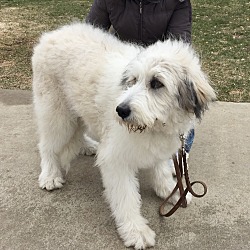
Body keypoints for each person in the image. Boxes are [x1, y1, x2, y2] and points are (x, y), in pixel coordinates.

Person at [86, 0, 194, 154]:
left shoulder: (178, 2)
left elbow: (178, 48)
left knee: (180, 104)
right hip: (126, 64)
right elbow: (91, 34)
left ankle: (179, 149)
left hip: (160, 65)